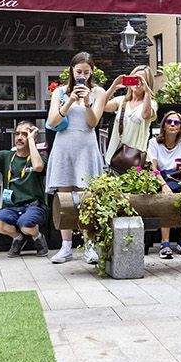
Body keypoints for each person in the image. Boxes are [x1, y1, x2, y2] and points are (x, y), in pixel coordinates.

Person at [46, 51, 106, 264]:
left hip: (86, 148)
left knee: (86, 196)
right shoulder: (60, 92)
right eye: (79, 71)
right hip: (64, 147)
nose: (82, 76)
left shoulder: (98, 92)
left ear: (92, 72)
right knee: (64, 197)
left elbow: (93, 123)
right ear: (71, 70)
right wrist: (70, 100)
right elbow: (52, 122)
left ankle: (90, 245)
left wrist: (87, 102)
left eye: (86, 72)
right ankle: (66, 246)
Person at [0, 122, 47, 257]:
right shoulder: (7, 156)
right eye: (17, 134)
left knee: (25, 224)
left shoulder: (38, 157)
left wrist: (31, 140)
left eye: (24, 134)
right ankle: (18, 238)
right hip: (12, 207)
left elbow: (38, 167)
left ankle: (38, 237)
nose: (19, 137)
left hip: (34, 206)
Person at [149, 110, 181, 257]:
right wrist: (163, 185)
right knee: (166, 199)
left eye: (176, 122)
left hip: (178, 179)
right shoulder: (154, 143)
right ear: (164, 125)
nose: (173, 125)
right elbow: (153, 168)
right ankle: (165, 243)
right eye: (169, 122)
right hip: (160, 179)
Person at [99, 63, 156, 169]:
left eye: (142, 80)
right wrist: (113, 87)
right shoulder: (121, 101)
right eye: (135, 78)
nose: (138, 82)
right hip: (115, 155)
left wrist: (147, 91)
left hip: (136, 158)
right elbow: (101, 106)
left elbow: (146, 115)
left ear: (147, 83)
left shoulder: (151, 104)